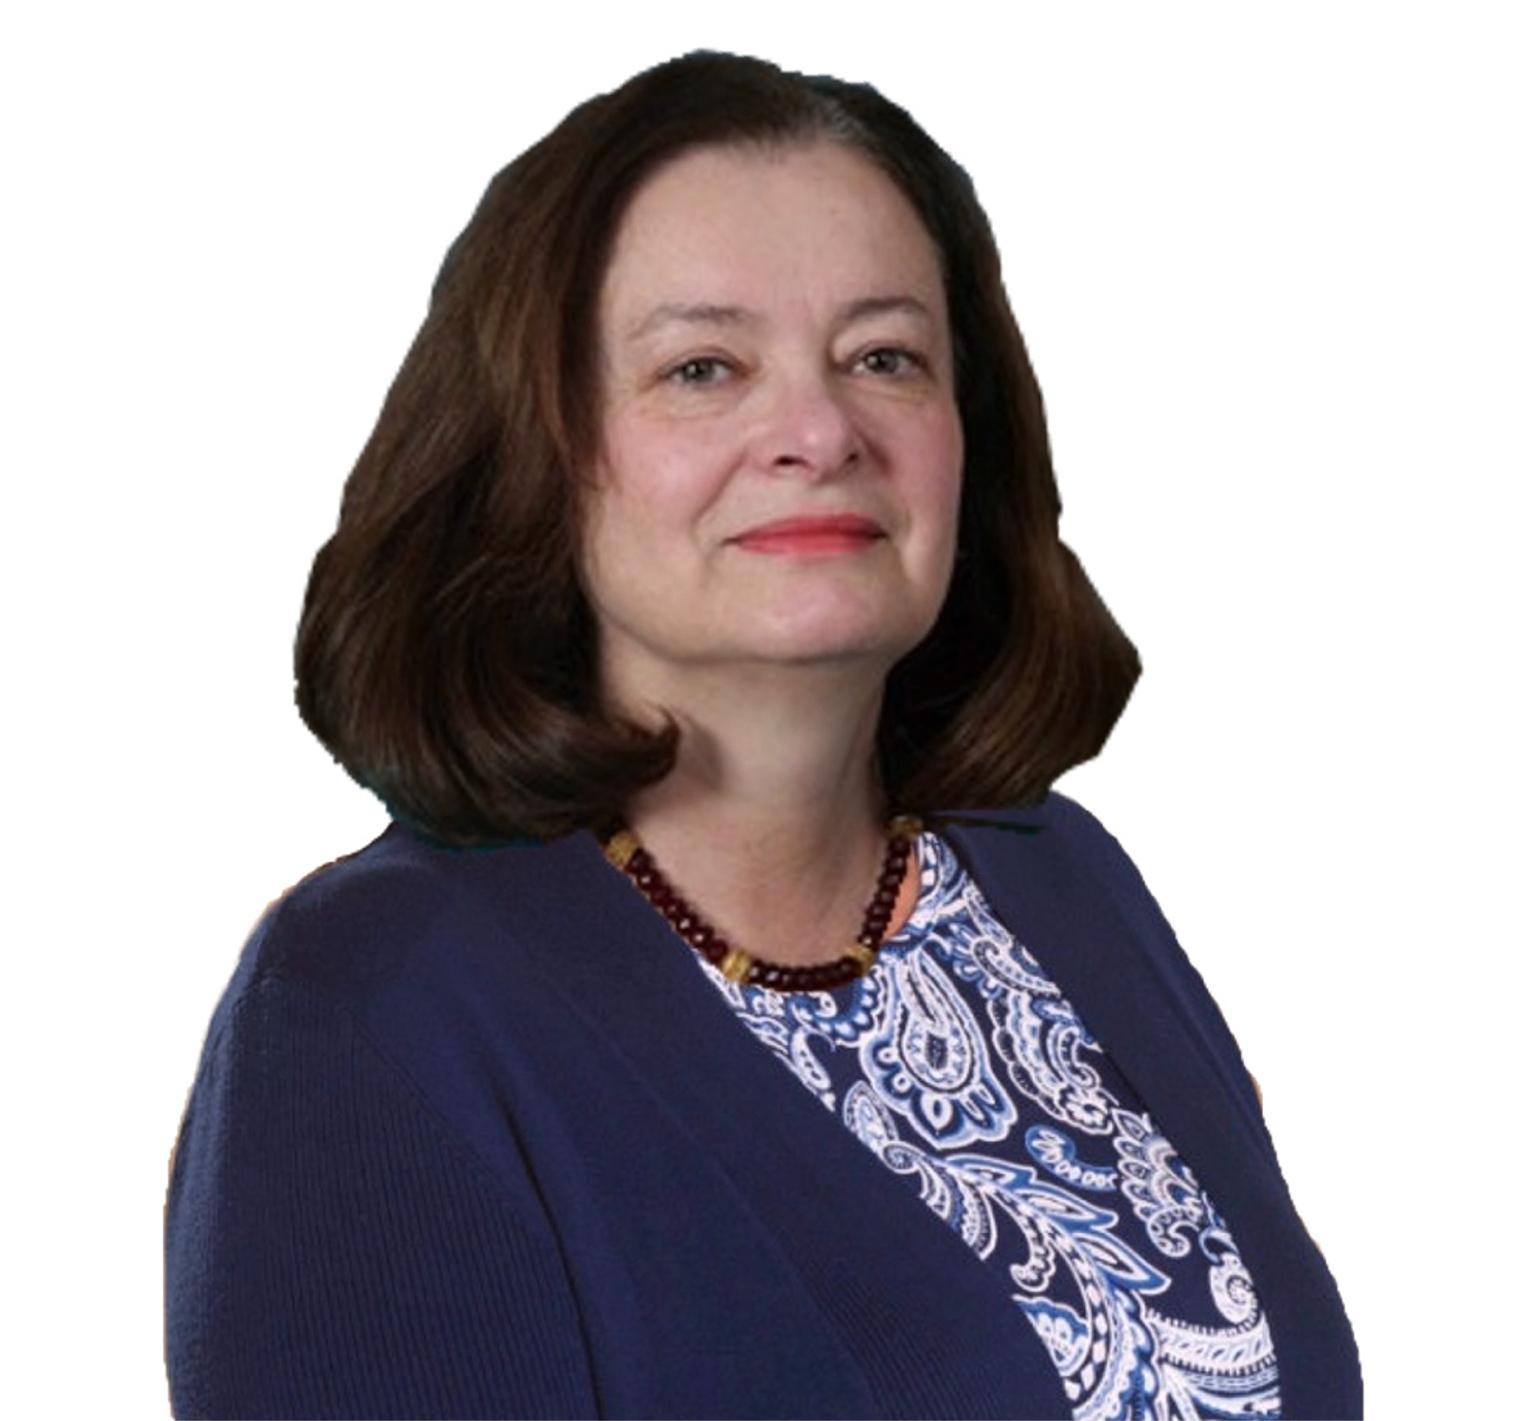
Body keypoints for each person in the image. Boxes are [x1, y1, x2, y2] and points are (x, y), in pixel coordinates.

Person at [162, 49, 1361, 1420]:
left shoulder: (1058, 877)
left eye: (884, 356)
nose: (818, 429)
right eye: (703, 367)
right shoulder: (374, 1005)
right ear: (535, 454)